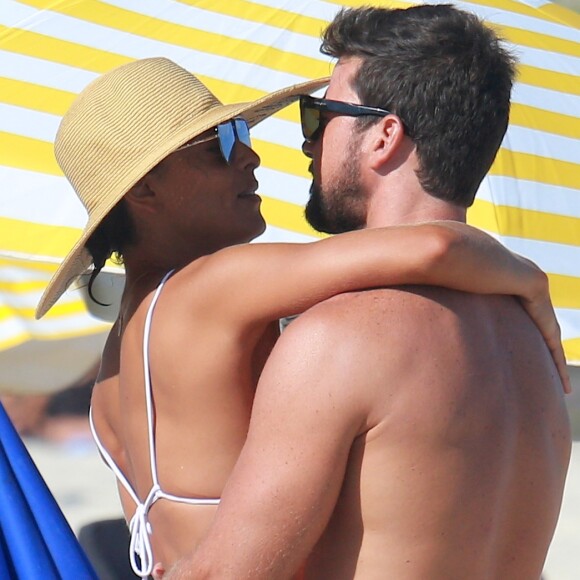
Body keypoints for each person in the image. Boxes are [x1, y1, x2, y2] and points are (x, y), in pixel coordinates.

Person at [165, 5, 572, 580]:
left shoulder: (338, 340)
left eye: (319, 115)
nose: (309, 144)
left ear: (384, 136)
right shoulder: (534, 346)